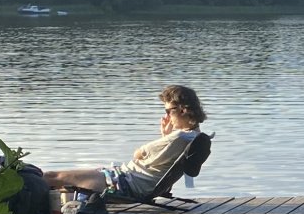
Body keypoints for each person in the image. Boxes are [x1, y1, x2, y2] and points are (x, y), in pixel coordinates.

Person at [43, 83, 205, 206]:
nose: (167, 116)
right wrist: (165, 136)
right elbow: (159, 160)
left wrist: (166, 137)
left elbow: (138, 154)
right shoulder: (195, 137)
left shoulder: (178, 137)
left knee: (51, 177)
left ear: (182, 110)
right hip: (131, 182)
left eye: (168, 111)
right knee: (61, 183)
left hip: (121, 183)